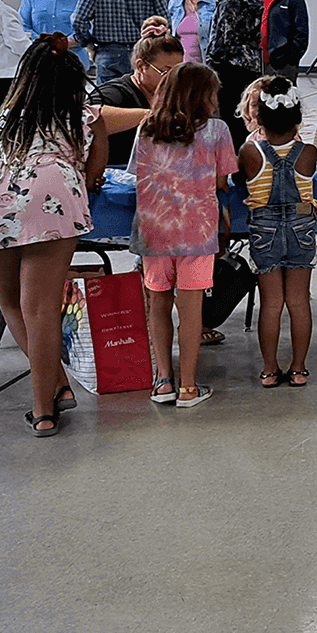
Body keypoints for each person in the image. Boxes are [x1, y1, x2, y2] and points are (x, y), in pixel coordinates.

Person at [0, 35, 142, 436]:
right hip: (52, 195)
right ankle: (44, 408)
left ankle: (57, 384)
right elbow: (119, 133)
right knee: (42, 309)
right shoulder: (82, 115)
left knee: (11, 303)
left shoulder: (0, 117)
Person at [129, 62, 236, 408]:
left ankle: (163, 381)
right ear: (203, 95)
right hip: (197, 233)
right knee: (191, 310)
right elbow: (223, 180)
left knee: (157, 304)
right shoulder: (217, 130)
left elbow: (136, 172)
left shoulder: (146, 127)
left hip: (153, 232)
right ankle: (189, 386)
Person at [241, 75, 317, 389]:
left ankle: (270, 369)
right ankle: (299, 368)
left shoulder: (249, 154)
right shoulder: (309, 153)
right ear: (299, 118)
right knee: (299, 302)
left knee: (271, 304)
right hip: (301, 227)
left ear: (258, 117)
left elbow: (239, 182)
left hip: (265, 229)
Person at [90, 34, 185, 166]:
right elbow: (87, 118)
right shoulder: (114, 93)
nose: (173, 79)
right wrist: (151, 116)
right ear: (140, 66)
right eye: (166, 72)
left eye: (177, 72)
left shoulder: (174, 94)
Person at [207, 0, 264, 148]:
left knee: (229, 114)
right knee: (244, 111)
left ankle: (231, 157)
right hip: (251, 63)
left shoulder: (230, 0)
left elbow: (222, 36)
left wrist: (212, 64)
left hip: (228, 66)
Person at [258, 0, 310, 80]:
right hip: (259, 61)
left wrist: (290, 58)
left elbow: (301, 33)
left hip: (283, 63)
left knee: (283, 97)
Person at [163, 0, 217, 64]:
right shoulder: (175, 2)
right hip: (182, 61)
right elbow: (169, 29)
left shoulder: (216, 0)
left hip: (209, 61)